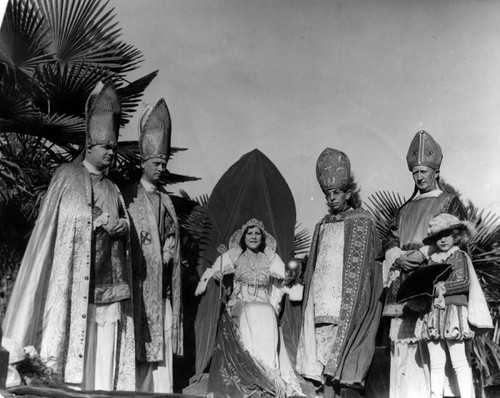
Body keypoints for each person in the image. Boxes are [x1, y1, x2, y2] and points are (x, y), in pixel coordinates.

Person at [1, 81, 135, 391]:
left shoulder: (114, 187)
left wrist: (122, 226)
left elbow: (124, 219)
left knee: (106, 354)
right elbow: (66, 220)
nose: (112, 154)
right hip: (77, 284)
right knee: (79, 354)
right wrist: (98, 219)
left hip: (110, 285)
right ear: (90, 145)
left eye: (114, 148)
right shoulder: (67, 175)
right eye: (107, 147)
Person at [383, 130, 467, 398]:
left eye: (424, 171)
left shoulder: (449, 202)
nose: (419, 177)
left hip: (433, 283)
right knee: (404, 346)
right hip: (403, 283)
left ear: (435, 171)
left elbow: (457, 239)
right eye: (415, 172)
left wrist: (424, 253)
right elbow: (389, 239)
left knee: (434, 348)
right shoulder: (404, 209)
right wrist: (397, 255)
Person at [296, 148, 383, 398]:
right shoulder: (321, 225)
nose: (332, 198)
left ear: (347, 194)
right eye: (328, 194)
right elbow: (314, 265)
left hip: (345, 302)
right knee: (324, 366)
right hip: (322, 300)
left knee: (343, 361)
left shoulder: (362, 221)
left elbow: (369, 263)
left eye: (336, 193)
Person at [195, 218, 303, 397]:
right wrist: (220, 276)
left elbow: (283, 278)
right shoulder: (233, 255)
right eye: (250, 233)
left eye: (257, 233)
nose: (253, 236)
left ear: (263, 237)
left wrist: (290, 277)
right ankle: (255, 370)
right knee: (253, 311)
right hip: (240, 303)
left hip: (264, 303)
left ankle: (269, 372)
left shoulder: (271, 257)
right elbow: (215, 274)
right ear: (243, 237)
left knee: (267, 312)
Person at [121, 98, 183, 393]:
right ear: (143, 162)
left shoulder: (167, 200)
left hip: (161, 289)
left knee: (164, 340)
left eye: (164, 164)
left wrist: (170, 247)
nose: (161, 169)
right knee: (138, 341)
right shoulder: (129, 195)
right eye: (156, 163)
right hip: (138, 283)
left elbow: (171, 233)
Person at [418, 213, 493, 398]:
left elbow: (464, 282)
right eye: (438, 237)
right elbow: (426, 285)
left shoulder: (459, 255)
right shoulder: (431, 259)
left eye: (446, 235)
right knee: (436, 363)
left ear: (455, 236)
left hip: (454, 312)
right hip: (434, 313)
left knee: (459, 361)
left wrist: (441, 288)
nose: (442, 240)